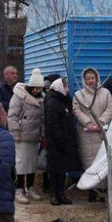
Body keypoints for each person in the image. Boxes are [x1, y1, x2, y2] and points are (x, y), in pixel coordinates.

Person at [6, 69, 45, 204]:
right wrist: (15, 133)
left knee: (32, 164)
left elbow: (42, 118)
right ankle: (18, 190)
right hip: (22, 136)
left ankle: (30, 187)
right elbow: (12, 116)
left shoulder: (41, 98)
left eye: (40, 88)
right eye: (35, 88)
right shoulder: (18, 96)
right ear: (30, 86)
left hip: (34, 136)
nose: (37, 91)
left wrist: (42, 134)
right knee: (21, 164)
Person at [44, 78, 80, 206]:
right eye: (65, 86)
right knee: (54, 169)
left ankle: (61, 194)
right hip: (56, 143)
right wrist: (60, 139)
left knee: (62, 169)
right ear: (59, 87)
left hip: (64, 142)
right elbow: (52, 124)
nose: (67, 89)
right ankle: (54, 195)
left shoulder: (64, 100)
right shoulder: (53, 102)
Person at [73, 67, 112, 170]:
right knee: (89, 161)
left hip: (103, 131)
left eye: (92, 78)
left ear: (97, 78)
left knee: (104, 159)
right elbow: (76, 110)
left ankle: (105, 186)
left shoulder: (106, 92)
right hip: (86, 133)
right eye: (88, 78)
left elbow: (110, 108)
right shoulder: (79, 95)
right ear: (84, 80)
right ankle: (92, 185)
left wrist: (100, 122)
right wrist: (88, 123)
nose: (90, 81)